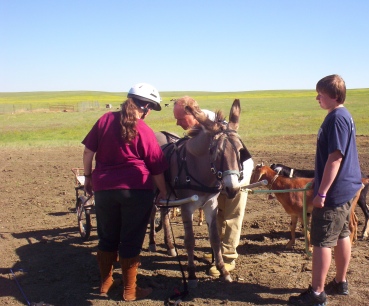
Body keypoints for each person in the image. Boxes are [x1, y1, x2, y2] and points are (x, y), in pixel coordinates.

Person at [82, 83, 168, 302]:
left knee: (107, 236)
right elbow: (156, 166)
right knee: (130, 239)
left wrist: (89, 177)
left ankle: (105, 283)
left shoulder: (104, 120)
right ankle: (130, 291)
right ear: (146, 107)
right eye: (150, 109)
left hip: (104, 189)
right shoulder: (145, 130)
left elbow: (88, 152)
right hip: (136, 191)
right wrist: (164, 192)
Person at [288, 75, 362, 306]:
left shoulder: (337, 119)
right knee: (341, 235)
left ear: (335, 96)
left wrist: (321, 193)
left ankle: (317, 294)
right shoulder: (342, 115)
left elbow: (335, 158)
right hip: (345, 188)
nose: (317, 97)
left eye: (321, 94)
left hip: (334, 192)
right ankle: (340, 283)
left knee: (321, 241)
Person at [173, 96, 254, 276]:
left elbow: (234, 156)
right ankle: (216, 255)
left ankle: (228, 258)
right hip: (218, 177)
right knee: (217, 216)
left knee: (232, 216)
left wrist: (235, 183)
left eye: (180, 119)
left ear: (192, 114)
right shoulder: (200, 128)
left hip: (238, 175)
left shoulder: (217, 127)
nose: (177, 123)